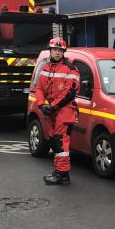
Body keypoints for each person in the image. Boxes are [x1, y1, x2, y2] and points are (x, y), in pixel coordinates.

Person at [34, 37, 79, 185]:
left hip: (64, 110)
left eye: (60, 50)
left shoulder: (71, 69)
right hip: (50, 110)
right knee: (54, 140)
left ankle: (62, 173)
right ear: (50, 51)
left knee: (60, 141)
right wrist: (41, 104)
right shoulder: (46, 67)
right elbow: (39, 88)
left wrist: (51, 106)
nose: (57, 53)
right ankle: (59, 170)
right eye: (55, 50)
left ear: (64, 52)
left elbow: (68, 93)